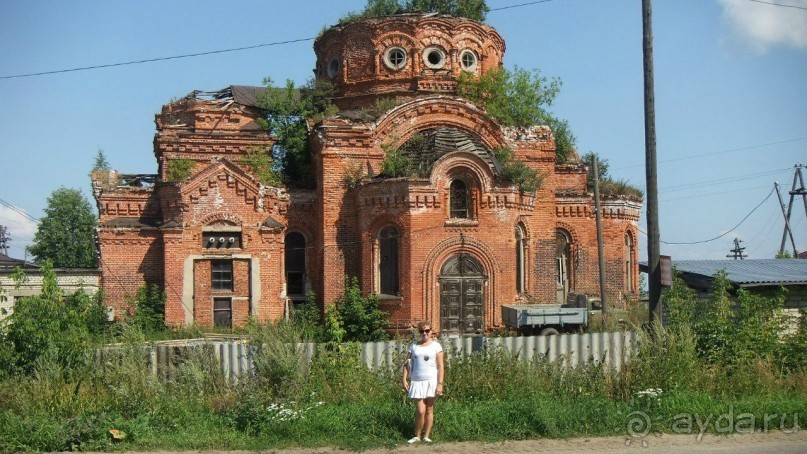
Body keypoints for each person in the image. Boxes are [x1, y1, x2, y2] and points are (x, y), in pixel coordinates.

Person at [402, 320, 444, 444]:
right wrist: (404, 379)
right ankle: (417, 435)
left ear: (431, 331)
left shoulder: (436, 346)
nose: (424, 333)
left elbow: (441, 366)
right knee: (420, 410)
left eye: (427, 331)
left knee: (429, 409)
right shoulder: (413, 346)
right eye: (422, 331)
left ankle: (426, 436)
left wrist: (440, 384)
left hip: (431, 381)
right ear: (419, 332)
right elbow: (407, 364)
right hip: (417, 381)